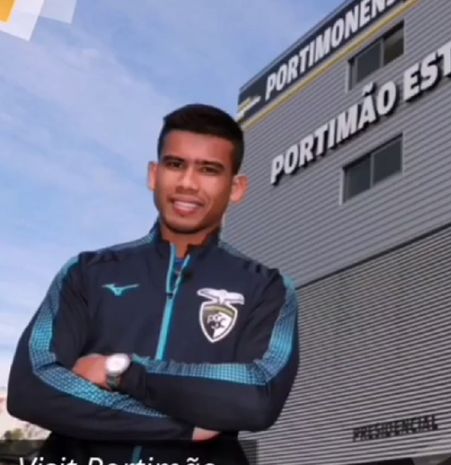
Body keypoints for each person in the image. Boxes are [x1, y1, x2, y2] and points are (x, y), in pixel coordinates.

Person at [7, 104, 300, 465]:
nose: (188, 183)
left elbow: (258, 395)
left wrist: (122, 372)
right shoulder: (87, 271)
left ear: (236, 188)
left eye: (209, 170)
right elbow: (32, 387)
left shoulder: (267, 288)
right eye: (175, 165)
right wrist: (182, 427)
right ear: (154, 174)